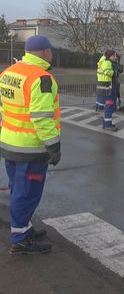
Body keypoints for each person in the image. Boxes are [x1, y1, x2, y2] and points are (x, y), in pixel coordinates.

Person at [0, 35, 61, 254]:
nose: (51, 54)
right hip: (30, 147)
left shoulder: (9, 73)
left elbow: (3, 108)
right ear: (45, 52)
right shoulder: (42, 78)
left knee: (18, 189)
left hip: (10, 142)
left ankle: (24, 228)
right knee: (27, 194)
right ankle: (21, 239)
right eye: (50, 51)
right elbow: (42, 118)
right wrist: (53, 146)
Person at [96, 49, 119, 131]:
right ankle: (107, 125)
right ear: (110, 56)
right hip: (108, 89)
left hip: (105, 88)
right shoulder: (107, 62)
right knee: (109, 107)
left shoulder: (103, 61)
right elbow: (108, 72)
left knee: (108, 107)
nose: (116, 57)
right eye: (114, 55)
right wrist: (115, 72)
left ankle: (107, 124)